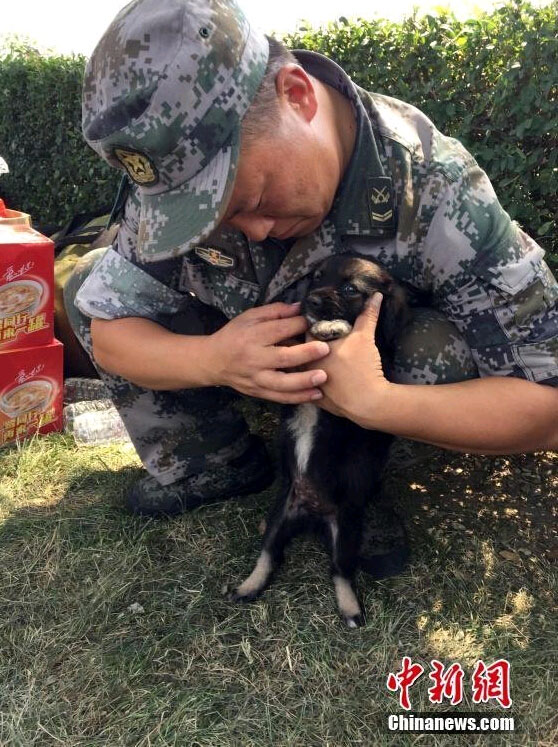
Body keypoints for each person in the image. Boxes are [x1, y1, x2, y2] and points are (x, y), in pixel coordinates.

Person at [65, 0, 558, 517]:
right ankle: (216, 462)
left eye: (252, 201)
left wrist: (377, 403)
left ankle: (369, 482)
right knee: (87, 280)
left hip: (373, 394)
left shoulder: (438, 188)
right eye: (213, 222)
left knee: (430, 344)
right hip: (252, 366)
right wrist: (215, 361)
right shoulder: (180, 178)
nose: (251, 233)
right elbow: (106, 323)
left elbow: (547, 403)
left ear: (296, 95)